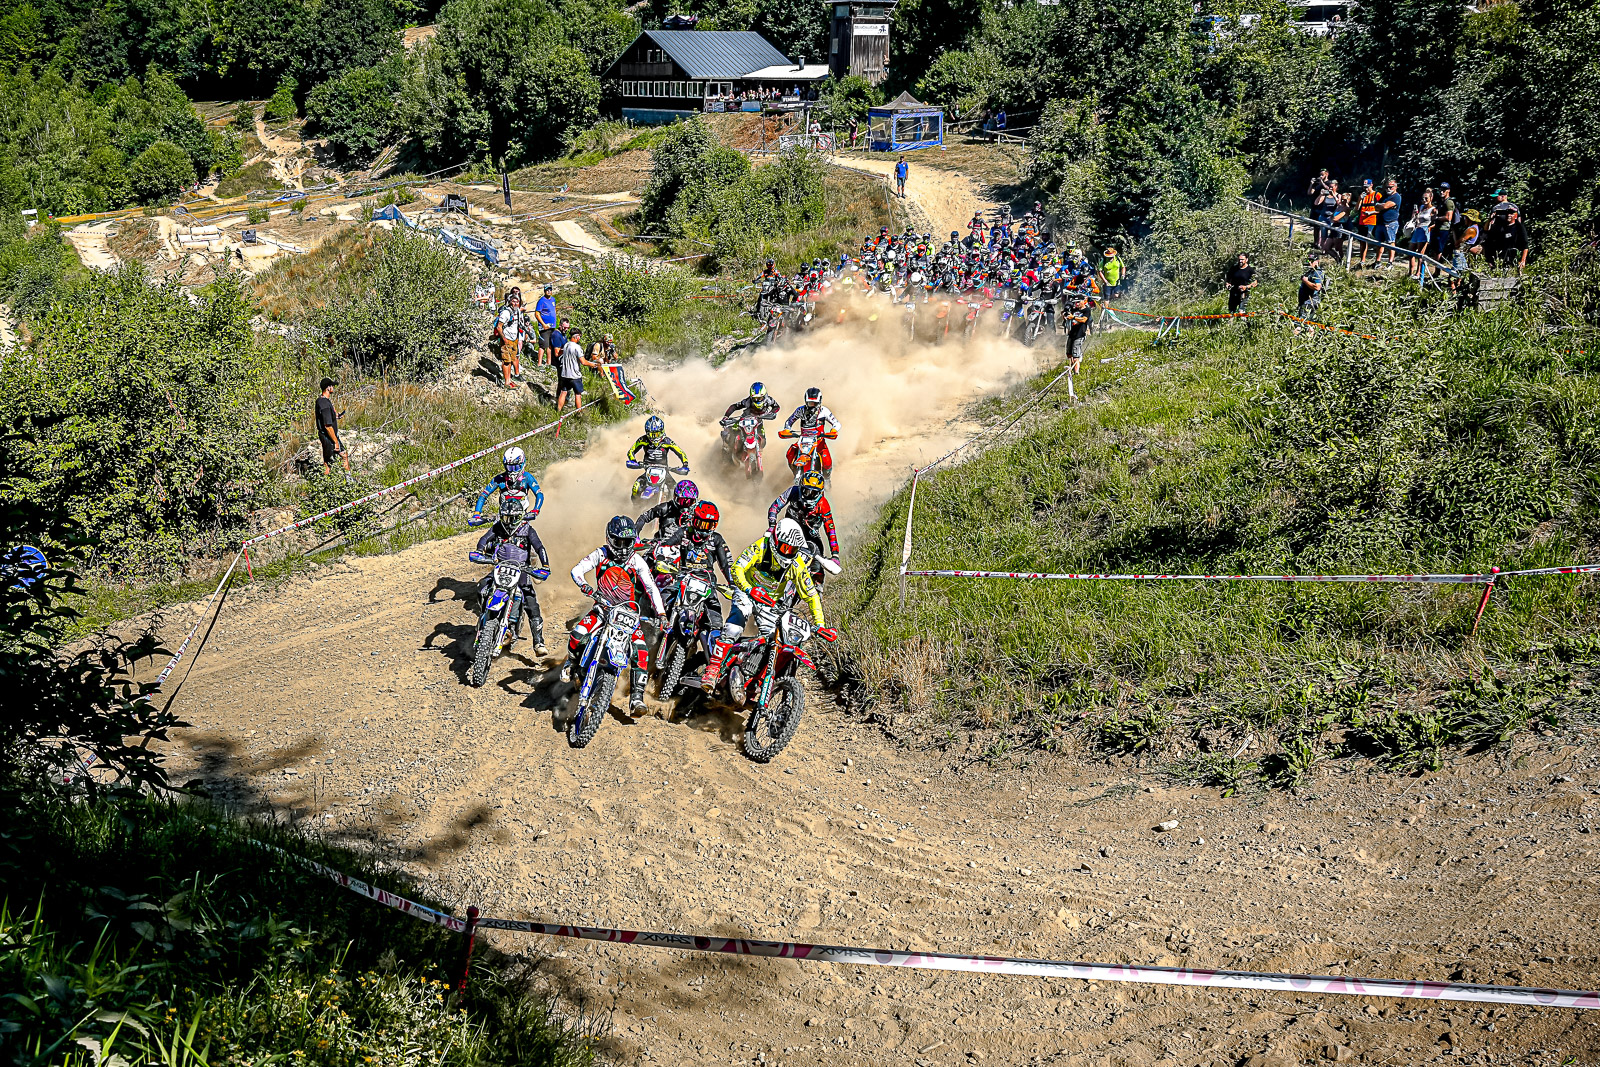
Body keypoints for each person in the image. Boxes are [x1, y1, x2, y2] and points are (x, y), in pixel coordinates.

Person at [700, 518, 830, 688]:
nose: (787, 552)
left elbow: (811, 595)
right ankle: (713, 669)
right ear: (775, 540)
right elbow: (738, 568)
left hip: (769, 602)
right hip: (747, 591)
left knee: (774, 639)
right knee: (735, 626)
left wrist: (820, 624)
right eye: (785, 547)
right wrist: (748, 589)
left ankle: (753, 679)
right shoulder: (761, 546)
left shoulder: (797, 564)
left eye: (792, 549)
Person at [565, 515, 666, 712]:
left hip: (628, 615)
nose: (621, 547)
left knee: (641, 651)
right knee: (577, 634)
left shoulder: (636, 560)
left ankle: (637, 698)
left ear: (632, 541)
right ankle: (572, 663)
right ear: (609, 538)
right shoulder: (601, 554)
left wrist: (661, 614)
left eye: (626, 542)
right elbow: (577, 570)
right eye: (617, 541)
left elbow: (652, 588)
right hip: (602, 609)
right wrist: (584, 586)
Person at [468, 493, 551, 655]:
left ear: (520, 517)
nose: (508, 521)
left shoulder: (528, 529)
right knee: (482, 588)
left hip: (522, 571)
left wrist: (545, 565)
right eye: (505, 517)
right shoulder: (498, 526)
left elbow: (539, 547)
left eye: (512, 518)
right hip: (500, 568)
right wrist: (479, 551)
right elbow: (484, 539)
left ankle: (538, 642)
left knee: (531, 603)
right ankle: (486, 618)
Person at [768, 471, 839, 582]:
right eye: (806, 490)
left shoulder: (823, 504)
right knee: (769, 547)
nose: (809, 495)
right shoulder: (793, 491)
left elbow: (831, 531)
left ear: (820, 493)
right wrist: (772, 526)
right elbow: (774, 507)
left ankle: (817, 590)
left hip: (810, 538)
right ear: (801, 487)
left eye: (813, 493)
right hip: (787, 530)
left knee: (818, 566)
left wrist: (835, 554)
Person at [470, 446, 545, 523]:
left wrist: (536, 510)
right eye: (509, 467)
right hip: (502, 520)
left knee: (533, 535)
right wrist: (476, 514)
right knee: (487, 535)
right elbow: (483, 495)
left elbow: (539, 494)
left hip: (522, 520)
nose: (512, 471)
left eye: (515, 467)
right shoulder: (499, 479)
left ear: (522, 464)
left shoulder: (527, 477)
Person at [780, 387, 840, 474]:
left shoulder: (824, 411)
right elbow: (789, 421)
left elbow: (837, 423)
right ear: (806, 401)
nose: (812, 405)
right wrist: (787, 430)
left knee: (827, 462)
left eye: (814, 403)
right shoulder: (800, 410)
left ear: (819, 402)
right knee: (790, 453)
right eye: (810, 403)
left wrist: (833, 430)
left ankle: (827, 481)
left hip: (819, 442)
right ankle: (796, 473)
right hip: (803, 440)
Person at [720, 382, 781, 455]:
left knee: (763, 441)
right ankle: (728, 449)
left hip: (758, 421)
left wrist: (772, 413)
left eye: (759, 398)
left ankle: (755, 451)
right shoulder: (747, 401)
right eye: (754, 398)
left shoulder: (769, 400)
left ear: (764, 396)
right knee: (733, 430)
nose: (757, 400)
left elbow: (777, 407)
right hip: (744, 419)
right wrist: (726, 417)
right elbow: (734, 406)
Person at [636, 478, 700, 545]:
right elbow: (644, 517)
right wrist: (636, 535)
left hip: (686, 549)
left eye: (690, 502)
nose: (685, 506)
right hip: (660, 546)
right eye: (682, 501)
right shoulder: (665, 508)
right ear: (675, 497)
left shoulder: (698, 513)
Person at [314, 377, 349, 476]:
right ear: (328, 388)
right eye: (332, 385)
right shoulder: (324, 404)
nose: (333, 387)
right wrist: (335, 442)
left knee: (335, 458)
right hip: (328, 436)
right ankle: (347, 480)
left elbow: (326, 417)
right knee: (331, 461)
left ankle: (344, 480)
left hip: (328, 436)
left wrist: (336, 416)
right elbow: (327, 425)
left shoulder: (322, 401)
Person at [556, 329, 596, 412]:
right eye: (580, 337)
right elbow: (583, 362)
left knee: (563, 392)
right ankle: (579, 413)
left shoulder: (566, 345)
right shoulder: (577, 347)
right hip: (575, 375)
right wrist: (593, 364)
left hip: (565, 374)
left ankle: (558, 410)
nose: (580, 338)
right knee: (578, 394)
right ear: (577, 337)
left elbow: (559, 353)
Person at [493, 289, 526, 389]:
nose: (515, 303)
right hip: (507, 339)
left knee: (512, 360)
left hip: (514, 339)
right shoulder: (506, 313)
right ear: (510, 301)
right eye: (513, 301)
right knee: (506, 361)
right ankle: (507, 382)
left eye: (517, 301)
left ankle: (509, 380)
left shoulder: (517, 312)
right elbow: (499, 327)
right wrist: (504, 339)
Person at [1406, 188, 1435, 279]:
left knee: (1420, 253)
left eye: (1426, 198)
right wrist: (1414, 214)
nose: (1424, 200)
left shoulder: (1433, 210)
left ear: (1431, 198)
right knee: (1411, 251)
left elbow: (1435, 223)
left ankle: (1418, 273)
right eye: (1423, 198)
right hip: (1417, 230)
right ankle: (1410, 272)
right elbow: (1414, 219)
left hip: (1424, 231)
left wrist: (1429, 228)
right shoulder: (1421, 207)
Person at [1377, 179, 1402, 267]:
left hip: (1390, 223)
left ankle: (1390, 262)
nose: (1388, 189)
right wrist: (1381, 206)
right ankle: (1378, 261)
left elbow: (1385, 206)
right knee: (1379, 243)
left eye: (1391, 187)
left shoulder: (1396, 197)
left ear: (1395, 187)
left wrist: (1381, 205)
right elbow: (1376, 206)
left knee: (1390, 242)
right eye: (1387, 187)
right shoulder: (1384, 196)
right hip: (1381, 223)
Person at [1356, 179, 1380, 266]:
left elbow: (1382, 209)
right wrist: (1360, 199)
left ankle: (1377, 260)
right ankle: (1362, 260)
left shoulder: (1377, 195)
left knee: (1372, 241)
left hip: (1372, 222)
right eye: (1364, 187)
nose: (1366, 189)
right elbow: (1356, 209)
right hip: (1362, 221)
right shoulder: (1363, 196)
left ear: (1371, 185)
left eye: (1367, 187)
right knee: (1362, 242)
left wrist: (1371, 213)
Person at [1297, 255, 1326, 324]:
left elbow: (1317, 287)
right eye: (1308, 260)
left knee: (1300, 324)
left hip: (1310, 302)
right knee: (1310, 325)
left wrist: (1305, 281)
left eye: (1312, 261)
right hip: (1305, 302)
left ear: (1317, 261)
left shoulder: (1317, 273)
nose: (1309, 263)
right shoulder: (1311, 271)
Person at [1065, 294, 1092, 370]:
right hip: (1071, 334)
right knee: (1069, 354)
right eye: (1075, 302)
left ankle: (1076, 373)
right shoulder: (1074, 310)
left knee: (1075, 356)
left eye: (1078, 302)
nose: (1076, 304)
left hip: (1079, 335)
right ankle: (1071, 369)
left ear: (1083, 301)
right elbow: (1065, 314)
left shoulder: (1087, 310)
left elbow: (1084, 320)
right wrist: (1065, 313)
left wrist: (1073, 317)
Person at [534, 285, 558, 366]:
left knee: (550, 345)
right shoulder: (541, 301)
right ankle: (539, 363)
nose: (549, 291)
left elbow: (554, 310)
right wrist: (543, 324)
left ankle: (549, 363)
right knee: (543, 345)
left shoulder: (553, 299)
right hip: (544, 327)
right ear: (544, 291)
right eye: (547, 290)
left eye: (550, 290)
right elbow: (537, 313)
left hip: (552, 326)